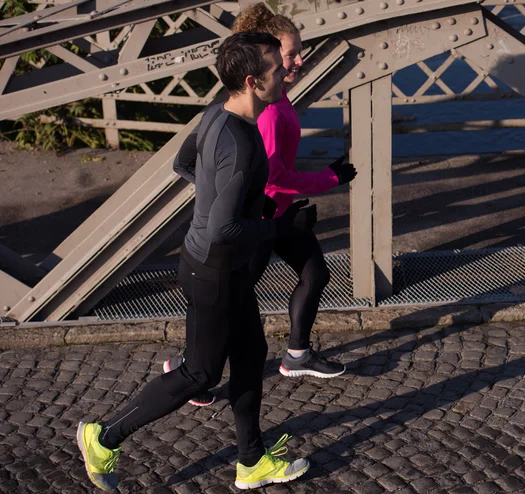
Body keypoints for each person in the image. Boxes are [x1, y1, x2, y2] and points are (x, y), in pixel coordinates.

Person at [76, 32, 315, 491]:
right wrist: (282, 228)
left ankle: (252, 461)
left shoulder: (216, 114)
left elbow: (183, 164)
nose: (285, 70)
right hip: (216, 270)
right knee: (200, 372)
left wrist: (246, 207)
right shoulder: (242, 144)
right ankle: (103, 437)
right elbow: (224, 227)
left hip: (217, 262)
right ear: (252, 81)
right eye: (275, 67)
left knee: (251, 355)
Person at [165, 3, 357, 401]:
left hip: (280, 213)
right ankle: (189, 370)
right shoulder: (264, 113)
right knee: (227, 302)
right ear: (265, 64)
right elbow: (272, 175)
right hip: (260, 218)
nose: (299, 61)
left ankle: (296, 355)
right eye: (290, 55)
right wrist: (329, 178)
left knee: (315, 274)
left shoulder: (277, 97)